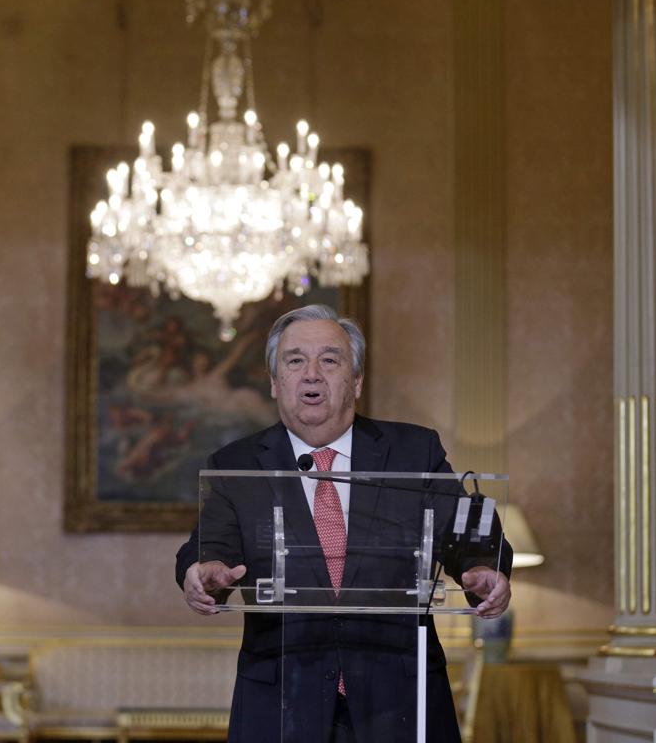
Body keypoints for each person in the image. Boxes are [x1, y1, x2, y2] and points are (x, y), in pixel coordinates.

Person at [175, 304, 512, 743]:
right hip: (282, 705)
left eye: (329, 360)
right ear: (275, 384)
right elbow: (208, 547)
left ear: (355, 382)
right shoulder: (237, 466)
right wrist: (202, 574)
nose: (311, 374)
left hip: (399, 701)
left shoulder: (413, 451)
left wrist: (485, 569)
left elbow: (461, 533)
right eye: (295, 361)